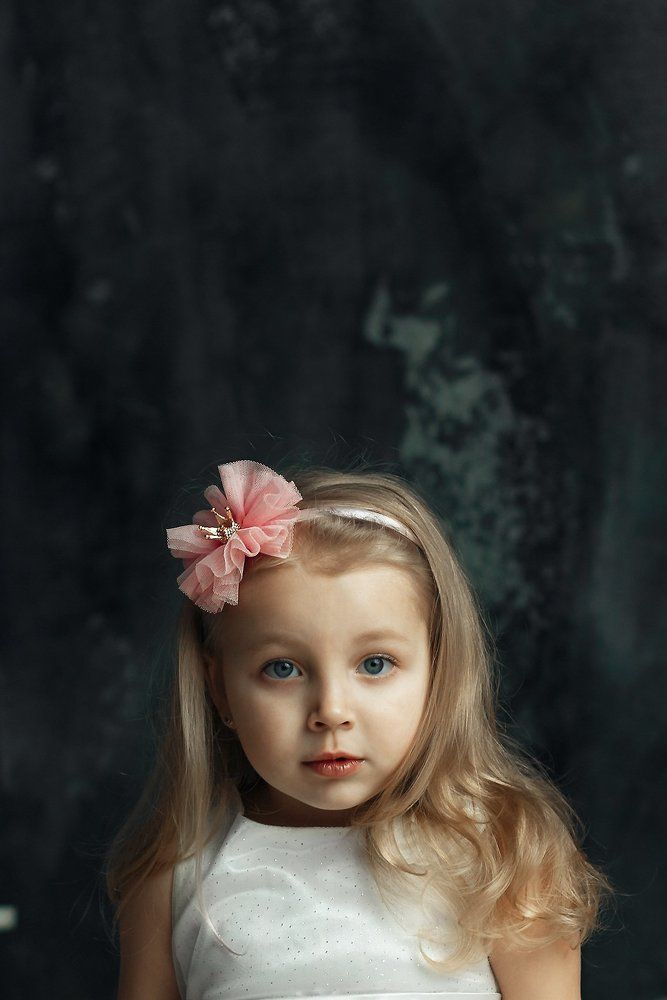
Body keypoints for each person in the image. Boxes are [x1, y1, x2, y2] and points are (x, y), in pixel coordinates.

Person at [107, 459, 609, 1000]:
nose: (331, 711)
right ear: (221, 689)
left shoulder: (505, 858)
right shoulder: (176, 882)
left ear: (438, 672)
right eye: (283, 669)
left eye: (374, 664)